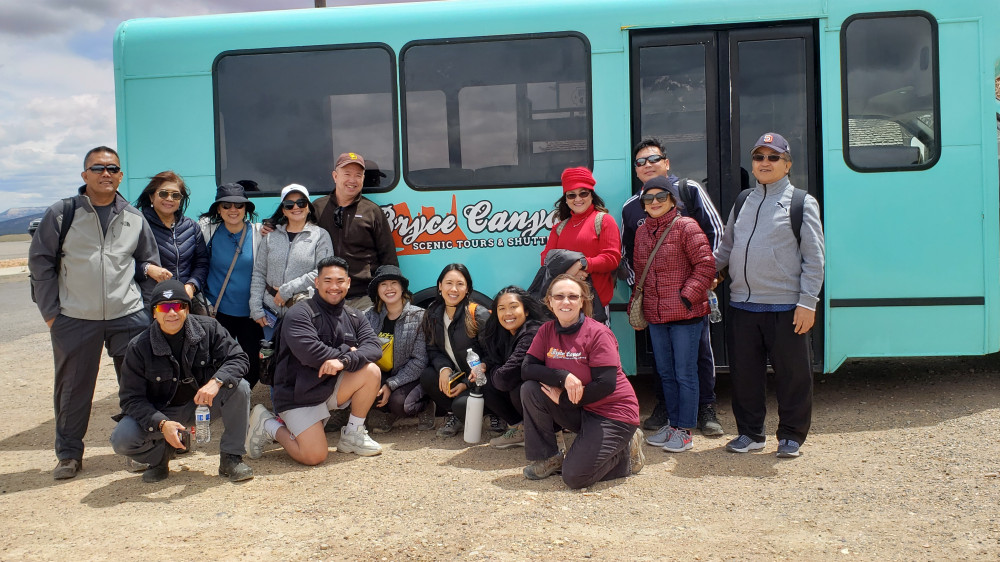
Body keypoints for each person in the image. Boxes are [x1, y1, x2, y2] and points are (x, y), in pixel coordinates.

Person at [28, 146, 159, 480]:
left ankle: (138, 447)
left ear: (120, 175)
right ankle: (69, 454)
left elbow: (148, 264)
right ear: (84, 175)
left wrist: (143, 309)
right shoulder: (63, 213)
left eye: (112, 168)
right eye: (98, 168)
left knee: (135, 386)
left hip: (126, 316)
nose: (106, 173)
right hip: (75, 317)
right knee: (73, 388)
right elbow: (40, 262)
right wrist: (51, 313)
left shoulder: (133, 216)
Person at [714, 132, 825, 458]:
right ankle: (750, 434)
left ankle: (791, 436)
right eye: (759, 157)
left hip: (787, 306)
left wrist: (808, 302)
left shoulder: (801, 202)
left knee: (793, 378)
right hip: (743, 306)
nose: (765, 163)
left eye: (773, 157)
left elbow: (814, 258)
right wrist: (705, 273)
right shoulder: (743, 200)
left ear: (787, 164)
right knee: (745, 377)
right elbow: (727, 248)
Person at [621, 137, 725, 437]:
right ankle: (669, 410)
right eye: (640, 162)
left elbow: (716, 233)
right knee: (665, 364)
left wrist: (703, 282)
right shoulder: (631, 208)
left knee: (697, 356)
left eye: (653, 159)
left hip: (689, 300)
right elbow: (628, 255)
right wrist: (639, 290)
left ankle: (705, 408)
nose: (647, 165)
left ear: (666, 163)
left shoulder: (689, 190)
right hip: (655, 303)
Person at [110, 280, 254, 483]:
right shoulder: (138, 347)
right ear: (154, 313)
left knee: (240, 387)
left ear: (187, 309)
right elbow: (130, 399)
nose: (172, 313)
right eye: (164, 307)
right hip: (162, 412)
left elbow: (238, 358)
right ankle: (159, 457)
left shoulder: (209, 328)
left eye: (179, 306)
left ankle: (231, 458)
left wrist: (217, 381)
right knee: (122, 439)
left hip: (204, 405)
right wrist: (161, 424)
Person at [245, 256, 384, 465]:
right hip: (297, 395)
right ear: (317, 283)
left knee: (371, 371)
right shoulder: (299, 313)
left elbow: (374, 348)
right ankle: (269, 425)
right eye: (327, 281)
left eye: (339, 281)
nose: (334, 287)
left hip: (328, 386)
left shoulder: (355, 316)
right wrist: (349, 351)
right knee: (314, 456)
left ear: (348, 283)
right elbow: (311, 354)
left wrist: (344, 361)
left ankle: (353, 434)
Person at [520, 274, 644, 488]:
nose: (565, 302)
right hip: (581, 407)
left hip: (611, 413)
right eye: (559, 296)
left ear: (582, 301)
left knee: (575, 477)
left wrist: (566, 401)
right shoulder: (546, 330)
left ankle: (626, 454)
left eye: (572, 296)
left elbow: (606, 384)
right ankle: (550, 457)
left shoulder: (597, 333)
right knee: (530, 389)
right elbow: (527, 368)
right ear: (549, 301)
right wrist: (563, 376)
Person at [629, 176, 716, 453]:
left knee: (685, 374)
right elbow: (640, 275)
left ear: (672, 200)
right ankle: (673, 424)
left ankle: (685, 430)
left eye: (660, 197)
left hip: (685, 316)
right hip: (656, 316)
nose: (654, 202)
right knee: (666, 373)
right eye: (648, 198)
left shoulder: (686, 226)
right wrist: (639, 306)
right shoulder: (643, 232)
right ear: (643, 204)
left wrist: (686, 297)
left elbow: (706, 266)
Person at [199, 183, 266, 388]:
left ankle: (240, 395)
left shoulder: (259, 233)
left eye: (239, 205)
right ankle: (218, 396)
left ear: (246, 209)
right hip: (217, 311)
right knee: (216, 359)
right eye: (226, 205)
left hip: (250, 312)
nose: (233, 210)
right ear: (218, 209)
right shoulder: (206, 232)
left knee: (251, 362)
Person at [313, 152, 399, 310]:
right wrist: (271, 225)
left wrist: (390, 294)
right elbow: (295, 227)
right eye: (347, 174)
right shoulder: (317, 208)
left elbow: (388, 257)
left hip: (364, 299)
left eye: (358, 175)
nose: (352, 180)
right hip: (326, 296)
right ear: (335, 176)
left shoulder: (372, 211)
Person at [249, 184, 334, 339]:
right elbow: (259, 273)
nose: (296, 207)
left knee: (301, 359)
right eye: (289, 204)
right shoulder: (270, 237)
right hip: (270, 314)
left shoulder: (320, 236)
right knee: (271, 360)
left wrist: (286, 290)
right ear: (283, 210)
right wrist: (255, 308)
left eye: (301, 203)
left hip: (305, 312)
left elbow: (323, 272)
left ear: (308, 207)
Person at [418, 263, 492, 438]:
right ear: (440, 286)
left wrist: (466, 383)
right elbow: (432, 349)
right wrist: (444, 369)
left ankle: (493, 414)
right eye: (448, 283)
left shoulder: (478, 314)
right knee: (428, 376)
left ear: (467, 289)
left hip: (480, 380)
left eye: (460, 284)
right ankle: (456, 417)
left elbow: (493, 356)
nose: (454, 289)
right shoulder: (433, 313)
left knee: (462, 405)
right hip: (456, 375)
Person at [540, 167, 621, 321]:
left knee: (596, 345)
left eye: (583, 193)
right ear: (566, 199)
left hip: (595, 305)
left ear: (592, 195)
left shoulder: (604, 220)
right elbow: (546, 260)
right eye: (571, 195)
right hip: (564, 306)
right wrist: (570, 273)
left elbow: (612, 258)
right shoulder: (559, 228)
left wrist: (582, 264)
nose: (578, 199)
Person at [363, 265, 433, 433]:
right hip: (381, 372)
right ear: (377, 290)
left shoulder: (419, 316)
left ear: (402, 288)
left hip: (410, 376)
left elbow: (420, 361)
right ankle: (388, 413)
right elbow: (363, 351)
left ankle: (427, 405)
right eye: (383, 284)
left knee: (400, 404)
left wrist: (390, 384)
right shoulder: (368, 316)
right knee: (369, 392)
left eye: (394, 283)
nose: (389, 288)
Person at [479, 286, 549, 449]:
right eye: (501, 308)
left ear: (526, 311)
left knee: (519, 386)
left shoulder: (532, 332)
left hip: (549, 397)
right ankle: (521, 429)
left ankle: (552, 433)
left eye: (513, 307)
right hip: (523, 389)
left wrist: (495, 369)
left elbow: (505, 378)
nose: (507, 313)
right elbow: (494, 358)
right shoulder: (504, 333)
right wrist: (486, 365)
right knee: (485, 383)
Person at [135, 171, 209, 306]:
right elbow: (122, 262)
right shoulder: (137, 224)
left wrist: (192, 285)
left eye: (175, 195)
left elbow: (202, 263)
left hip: (183, 303)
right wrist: (147, 269)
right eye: (163, 193)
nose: (169, 199)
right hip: (149, 303)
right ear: (151, 197)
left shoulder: (192, 227)